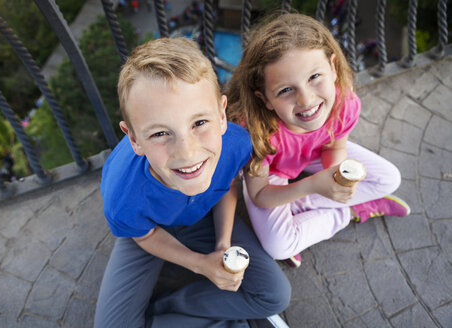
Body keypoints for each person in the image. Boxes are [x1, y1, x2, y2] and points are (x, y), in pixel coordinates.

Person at [94, 37, 291, 328]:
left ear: (222, 115)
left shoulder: (236, 144)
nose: (187, 153)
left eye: (199, 123)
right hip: (151, 227)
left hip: (205, 217)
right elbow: (145, 236)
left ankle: (169, 308)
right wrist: (199, 265)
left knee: (275, 296)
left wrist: (222, 244)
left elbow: (226, 186)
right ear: (133, 138)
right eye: (160, 133)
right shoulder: (121, 196)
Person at [226, 13, 410, 268]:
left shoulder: (343, 102)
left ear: (333, 68)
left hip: (315, 154)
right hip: (274, 173)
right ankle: (348, 212)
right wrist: (312, 186)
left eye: (314, 77)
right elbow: (259, 194)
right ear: (265, 99)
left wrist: (336, 177)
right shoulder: (254, 131)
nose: (306, 100)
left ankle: (304, 210)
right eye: (286, 90)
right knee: (279, 246)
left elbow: (335, 146)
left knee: (390, 178)